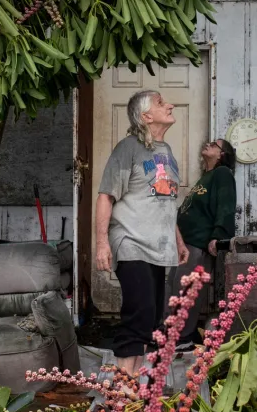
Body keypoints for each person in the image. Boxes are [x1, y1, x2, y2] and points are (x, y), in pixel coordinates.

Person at [96, 89, 190, 374]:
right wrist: (102, 242)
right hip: (131, 240)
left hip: (158, 246)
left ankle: (136, 383)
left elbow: (165, 200)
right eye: (162, 103)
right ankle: (123, 391)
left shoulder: (166, 152)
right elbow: (105, 196)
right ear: (146, 116)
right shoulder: (128, 148)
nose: (170, 104)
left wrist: (178, 240)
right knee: (138, 315)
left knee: (151, 320)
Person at [167, 138, 237, 349]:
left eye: (215, 145)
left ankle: (182, 339)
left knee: (187, 291)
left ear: (222, 155)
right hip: (184, 244)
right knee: (175, 289)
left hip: (198, 243)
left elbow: (226, 204)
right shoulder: (205, 177)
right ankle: (172, 335)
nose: (208, 144)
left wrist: (218, 236)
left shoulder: (222, 173)